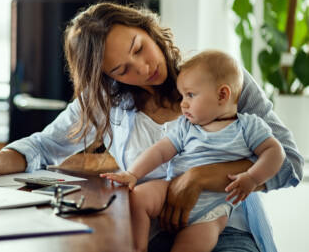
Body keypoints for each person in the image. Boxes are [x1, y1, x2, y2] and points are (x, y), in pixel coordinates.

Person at [0, 2, 303, 252]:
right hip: (150, 231)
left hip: (225, 229)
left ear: (148, 29)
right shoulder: (108, 101)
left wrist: (197, 178)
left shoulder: (219, 81)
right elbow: (41, 146)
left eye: (139, 48)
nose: (142, 69)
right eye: (122, 70)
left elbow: (289, 165)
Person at [100, 50, 285, 252]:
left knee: (188, 245)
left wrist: (253, 177)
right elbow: (160, 151)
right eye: (182, 96)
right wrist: (133, 174)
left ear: (222, 95)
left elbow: (275, 152)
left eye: (190, 95)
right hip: (172, 190)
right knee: (138, 197)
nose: (183, 104)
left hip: (211, 211)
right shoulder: (186, 126)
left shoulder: (248, 126)